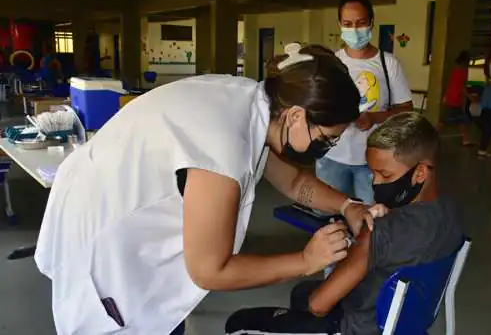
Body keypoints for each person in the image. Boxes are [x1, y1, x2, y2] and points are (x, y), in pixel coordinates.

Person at [34, 43, 379, 335]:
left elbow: (293, 181)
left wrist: (348, 205)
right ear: (296, 117)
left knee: (164, 311)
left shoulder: (257, 102)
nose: (329, 147)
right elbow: (210, 271)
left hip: (112, 200)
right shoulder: (225, 146)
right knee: (123, 316)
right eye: (328, 138)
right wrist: (305, 261)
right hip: (103, 232)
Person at [226, 112, 464, 335]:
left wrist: (345, 250)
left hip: (357, 327)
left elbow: (319, 305)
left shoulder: (377, 233)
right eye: (372, 173)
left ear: (420, 173)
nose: (375, 183)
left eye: (385, 175)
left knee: (240, 323)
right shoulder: (452, 212)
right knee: (301, 292)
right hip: (403, 320)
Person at [316, 0, 413, 206]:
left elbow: (406, 110)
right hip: (331, 155)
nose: (354, 30)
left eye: (360, 23)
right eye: (348, 24)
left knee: (371, 216)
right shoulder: (331, 63)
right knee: (327, 214)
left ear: (371, 23)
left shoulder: (389, 64)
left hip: (372, 160)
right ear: (340, 24)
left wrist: (375, 117)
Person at [437, 50, 475, 146]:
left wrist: (446, 96)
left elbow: (451, 84)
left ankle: (465, 140)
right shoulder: (462, 71)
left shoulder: (456, 69)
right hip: (454, 99)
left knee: (462, 120)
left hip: (452, 98)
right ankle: (431, 137)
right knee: (445, 121)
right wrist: (469, 96)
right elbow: (460, 86)